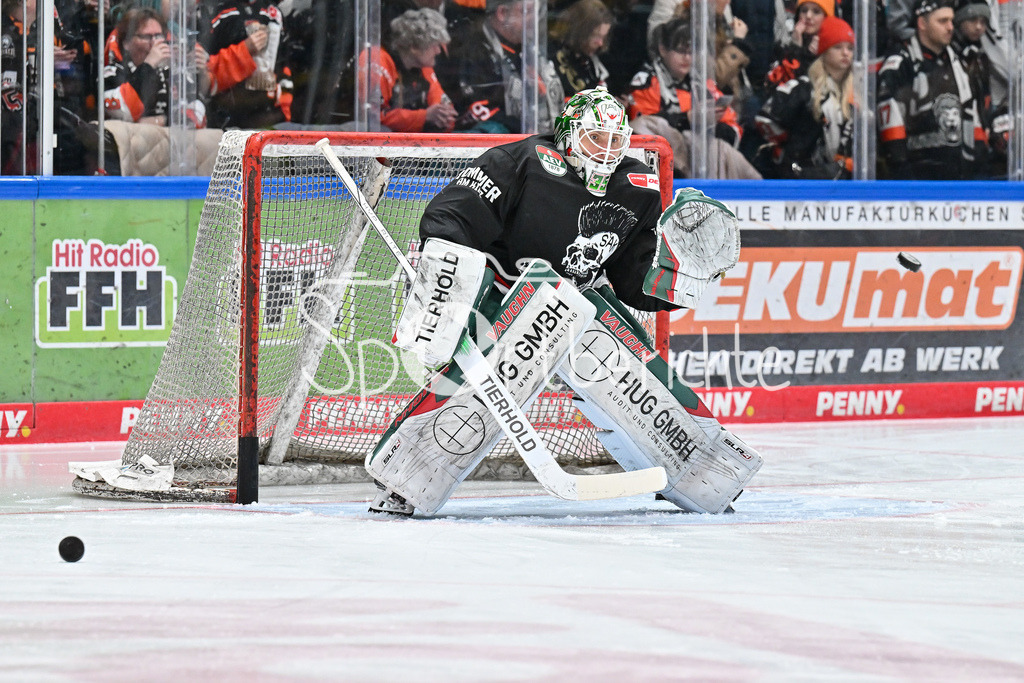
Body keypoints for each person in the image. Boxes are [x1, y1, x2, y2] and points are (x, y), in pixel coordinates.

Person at [365, 86, 761, 517]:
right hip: (504, 297)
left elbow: (632, 279)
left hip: (578, 302)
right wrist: (447, 286)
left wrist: (681, 279)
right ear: (569, 135)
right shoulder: (518, 161)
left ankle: (703, 475)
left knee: (634, 379)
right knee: (498, 369)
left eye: (616, 141)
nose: (607, 152)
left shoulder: (636, 188)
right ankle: (409, 477)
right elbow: (452, 217)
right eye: (596, 139)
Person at [876, 0, 987, 179]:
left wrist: (979, 157)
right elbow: (888, 113)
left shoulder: (958, 62)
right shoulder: (901, 61)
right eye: (942, 21)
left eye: (951, 21)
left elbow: (970, 110)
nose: (950, 27)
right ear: (922, 24)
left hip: (958, 174)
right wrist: (900, 164)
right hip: (916, 174)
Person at [754, 15, 854, 179]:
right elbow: (764, 118)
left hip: (839, 181)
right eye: (838, 47)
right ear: (824, 50)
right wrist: (787, 147)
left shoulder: (857, 95)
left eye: (850, 48)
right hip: (798, 179)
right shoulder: (803, 88)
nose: (845, 53)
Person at [446, 0, 564, 134]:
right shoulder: (472, 50)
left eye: (538, 11)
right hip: (492, 148)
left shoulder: (534, 46)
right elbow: (475, 108)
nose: (535, 19)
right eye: (528, 11)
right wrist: (521, 128)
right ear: (502, 13)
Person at [362, 7, 456, 132]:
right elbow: (372, 117)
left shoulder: (423, 67)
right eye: (434, 45)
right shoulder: (377, 60)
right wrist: (424, 116)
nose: (438, 51)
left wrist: (444, 115)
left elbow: (444, 108)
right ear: (414, 46)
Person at [204, 0, 292, 128]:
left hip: (270, 116)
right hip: (228, 118)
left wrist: (285, 112)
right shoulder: (215, 12)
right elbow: (205, 74)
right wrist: (244, 51)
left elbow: (285, 67)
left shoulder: (273, 13)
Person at [951, 0, 1007, 178]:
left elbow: (985, 99)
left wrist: (991, 124)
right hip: (956, 144)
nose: (978, 27)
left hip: (980, 142)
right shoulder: (950, 54)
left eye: (983, 22)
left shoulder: (980, 56)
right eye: (973, 20)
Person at [765, 0, 832, 93]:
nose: (808, 16)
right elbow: (779, 86)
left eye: (816, 12)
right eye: (804, 10)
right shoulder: (784, 47)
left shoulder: (835, 48)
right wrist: (796, 47)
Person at [550, 0, 614, 96]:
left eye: (603, 37)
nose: (600, 43)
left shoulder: (592, 63)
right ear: (580, 32)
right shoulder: (552, 56)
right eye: (595, 36)